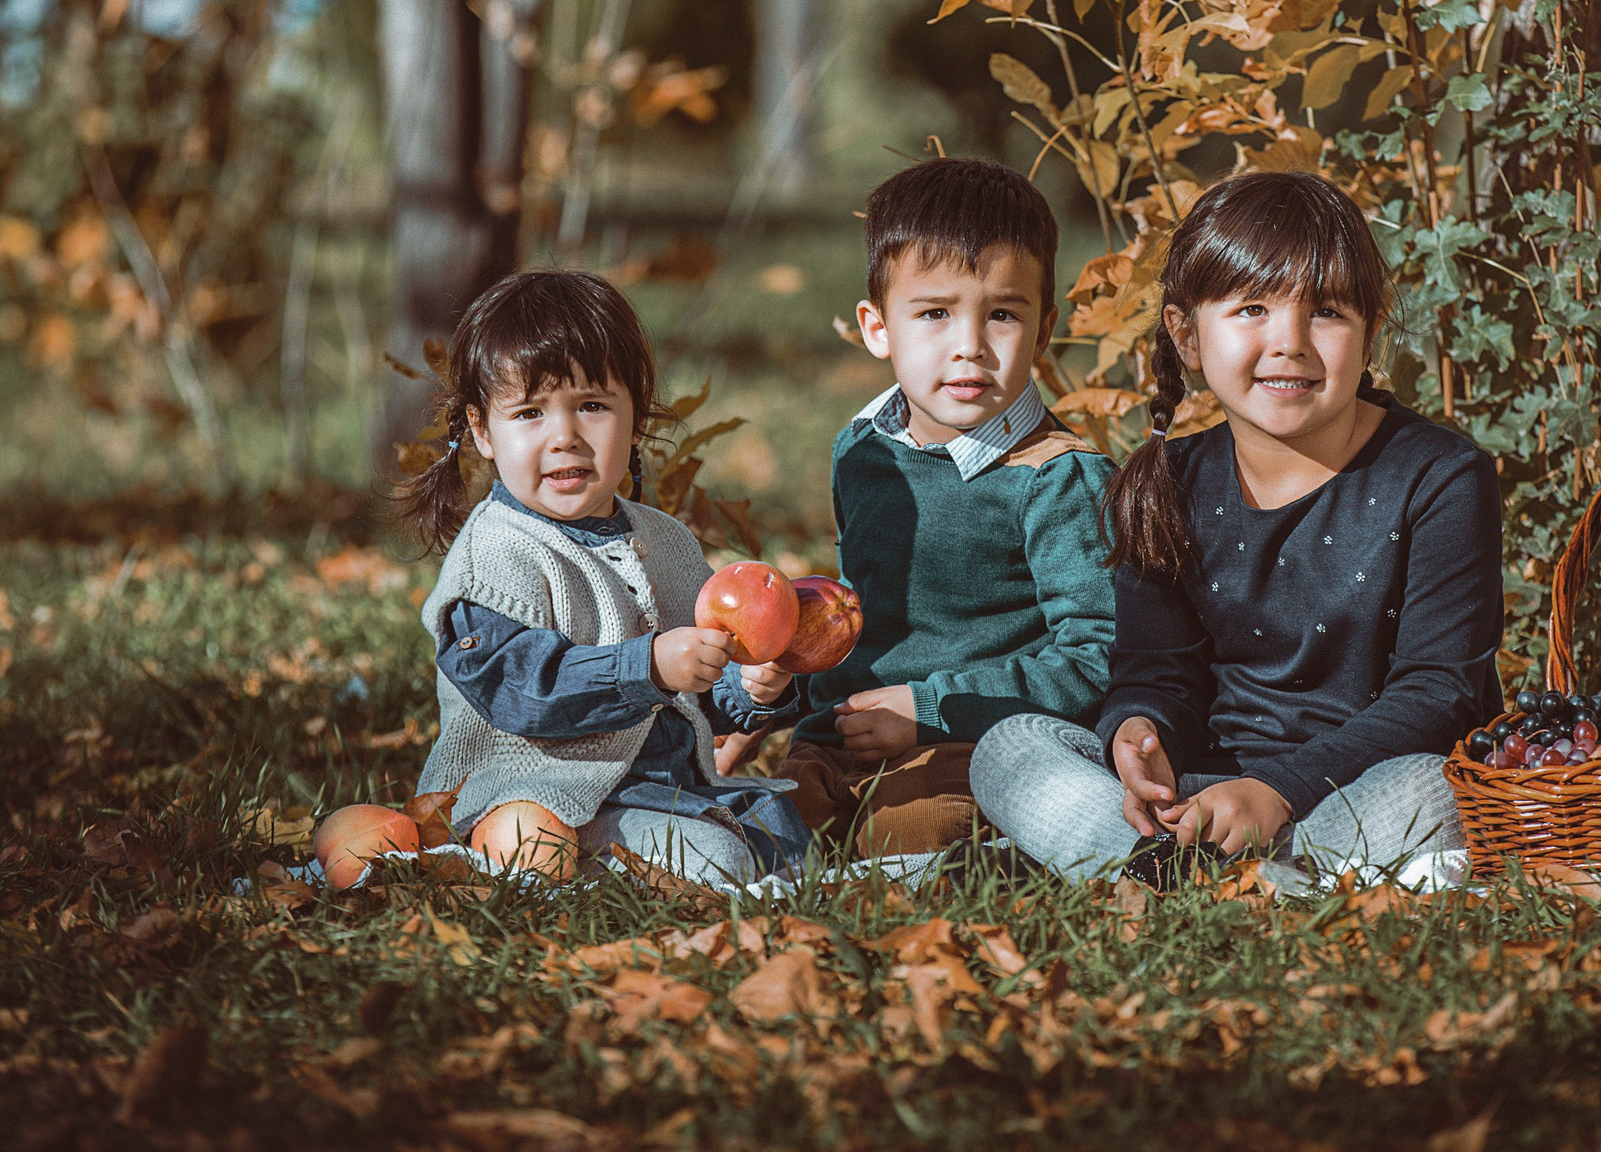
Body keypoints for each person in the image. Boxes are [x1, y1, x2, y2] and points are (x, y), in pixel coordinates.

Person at [971, 170, 1499, 882]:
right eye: (1252, 308)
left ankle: (1161, 876)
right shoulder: (1165, 483)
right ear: (1186, 335)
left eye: (1327, 312)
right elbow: (1157, 673)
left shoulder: (1440, 476)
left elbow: (1438, 696)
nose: (1290, 342)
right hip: (1205, 798)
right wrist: (1139, 731)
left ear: (1371, 330)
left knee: (1436, 787)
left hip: (1351, 791)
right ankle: (1197, 870)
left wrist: (1277, 791)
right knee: (1011, 745)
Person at [321, 269, 812, 891]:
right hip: (540, 792)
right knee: (720, 861)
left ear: (636, 416)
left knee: (786, 832)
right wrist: (648, 667)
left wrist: (750, 687)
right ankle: (511, 855)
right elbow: (523, 690)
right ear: (482, 431)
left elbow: (695, 694)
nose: (565, 437)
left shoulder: (666, 543)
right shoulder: (495, 556)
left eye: (592, 406)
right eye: (530, 412)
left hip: (666, 789)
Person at [740, 157, 1118, 857]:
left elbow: (1096, 655)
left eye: (1002, 314)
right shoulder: (863, 450)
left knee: (907, 841)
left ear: (1043, 331)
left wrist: (931, 709)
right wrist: (780, 683)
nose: (969, 346)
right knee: (754, 835)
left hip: (974, 742)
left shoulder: (1057, 477)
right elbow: (863, 611)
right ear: (877, 327)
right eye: (935, 313)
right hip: (841, 733)